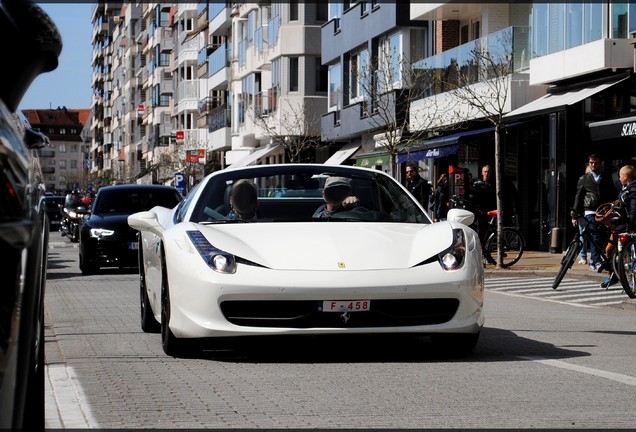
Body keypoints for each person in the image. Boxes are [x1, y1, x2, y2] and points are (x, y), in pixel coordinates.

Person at [570, 154, 617, 273]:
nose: (593, 165)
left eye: (595, 163)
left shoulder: (605, 177)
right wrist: (574, 213)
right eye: (591, 163)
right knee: (594, 234)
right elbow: (578, 196)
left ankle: (599, 259)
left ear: (600, 163)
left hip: (603, 210)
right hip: (589, 209)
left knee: (603, 235)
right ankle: (595, 261)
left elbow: (610, 191)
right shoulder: (584, 179)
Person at [600, 165, 636, 288]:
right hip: (619, 224)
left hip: (627, 225)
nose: (619, 178)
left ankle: (630, 281)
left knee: (627, 254)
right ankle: (611, 274)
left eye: (620, 176)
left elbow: (633, 209)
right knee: (609, 249)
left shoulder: (633, 189)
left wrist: (630, 223)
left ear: (625, 177)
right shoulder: (624, 188)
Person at [471, 165, 497, 239]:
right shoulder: (477, 184)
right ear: (482, 173)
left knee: (490, 230)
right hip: (480, 211)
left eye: (488, 172)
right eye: (485, 172)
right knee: (480, 230)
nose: (486, 174)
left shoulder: (494, 184)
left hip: (490, 210)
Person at [577, 165, 591, 265]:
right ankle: (584, 256)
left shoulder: (583, 182)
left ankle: (583, 257)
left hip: (584, 212)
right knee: (584, 234)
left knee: (583, 234)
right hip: (584, 212)